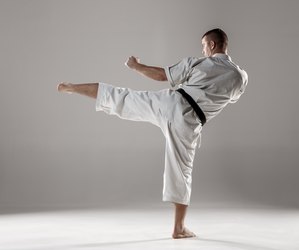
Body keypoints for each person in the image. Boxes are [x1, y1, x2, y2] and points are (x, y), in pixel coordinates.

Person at [57, 28, 248, 239]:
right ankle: (179, 228)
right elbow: (227, 98)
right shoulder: (240, 77)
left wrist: (135, 66)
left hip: (170, 103)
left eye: (204, 46)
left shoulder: (198, 63)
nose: (203, 50)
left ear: (212, 45)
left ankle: (73, 87)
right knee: (182, 171)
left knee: (124, 98)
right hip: (190, 121)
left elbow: (160, 75)